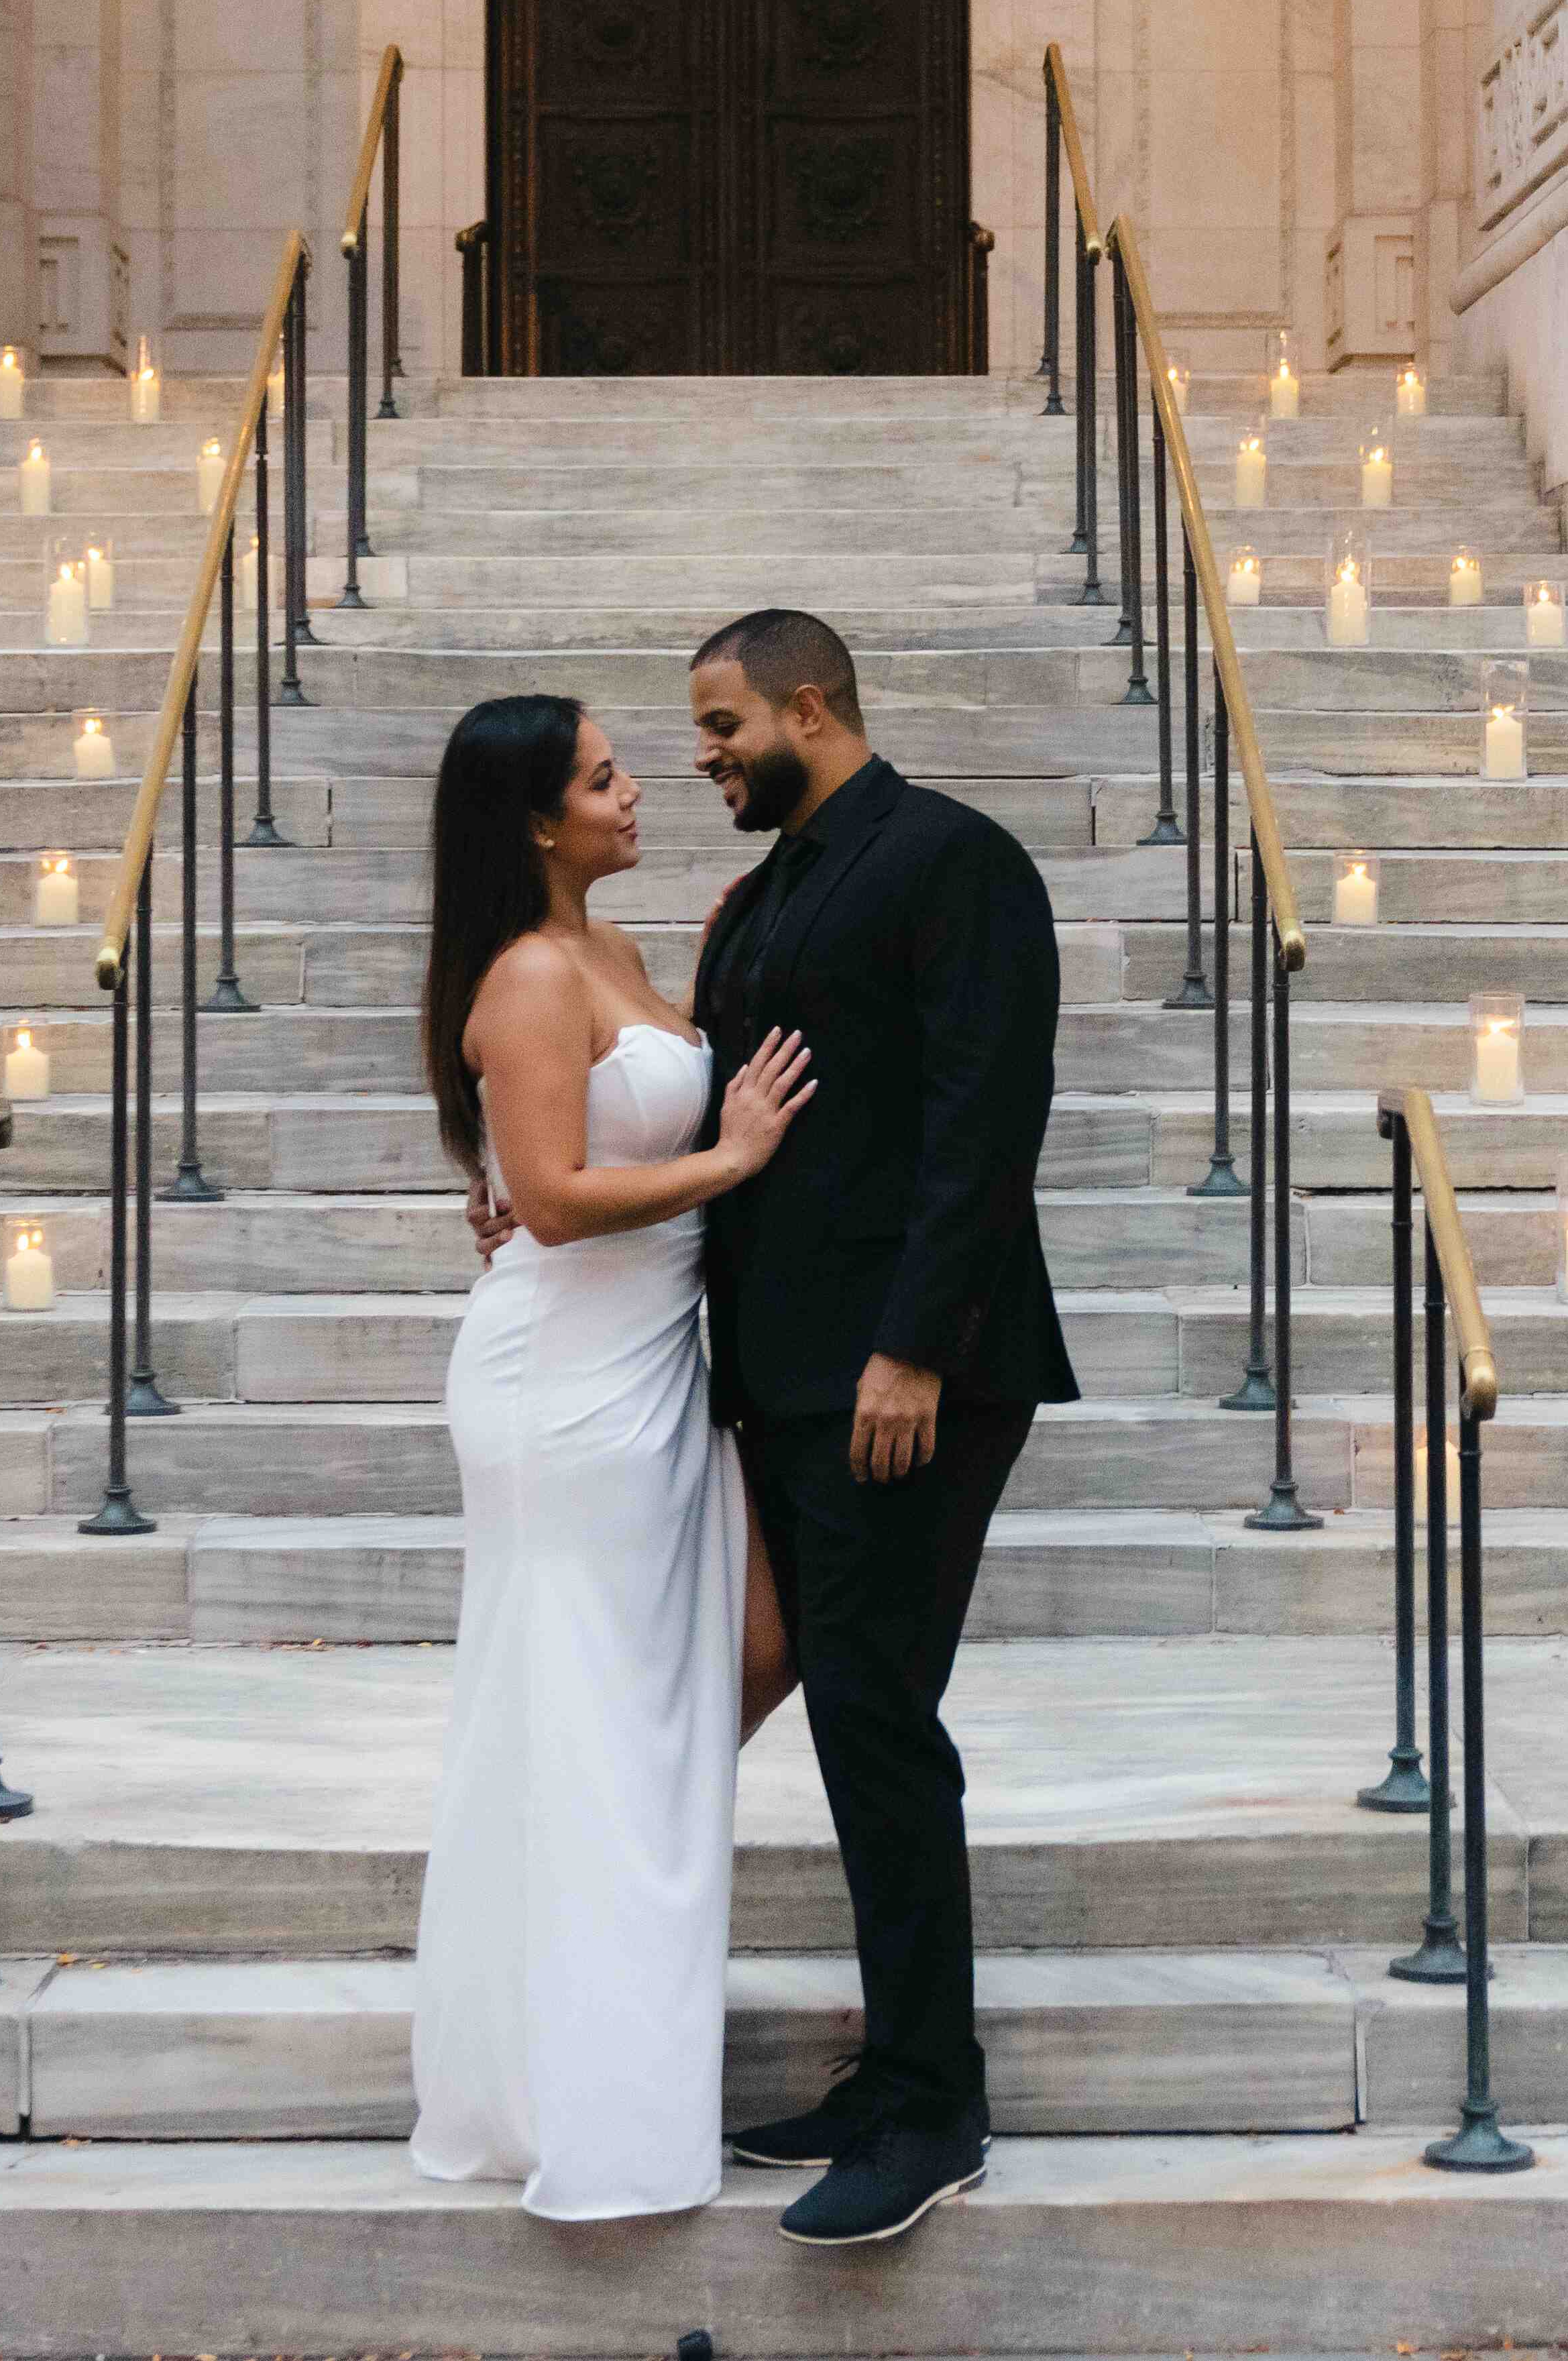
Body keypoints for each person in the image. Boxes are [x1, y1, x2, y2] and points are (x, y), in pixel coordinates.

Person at [681, 608, 1074, 2248]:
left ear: (810, 702)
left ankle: (932, 2103)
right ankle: (891, 2068)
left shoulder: (953, 857)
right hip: (785, 1378)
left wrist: (911, 1345)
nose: (700, 755)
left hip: (907, 1382)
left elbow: (985, 1119)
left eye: (721, 724)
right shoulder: (768, 891)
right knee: (854, 1716)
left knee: (874, 1714)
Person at [404, 694, 811, 2222]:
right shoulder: (522, 971)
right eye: (601, 775)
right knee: (590, 1716)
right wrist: (733, 1156)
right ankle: (584, 2094)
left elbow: (580, 1144)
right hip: (562, 1382)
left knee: (729, 1659)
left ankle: (584, 2033)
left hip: (652, 1362)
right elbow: (557, 1198)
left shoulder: (621, 955)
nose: (636, 786)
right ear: (531, 819)